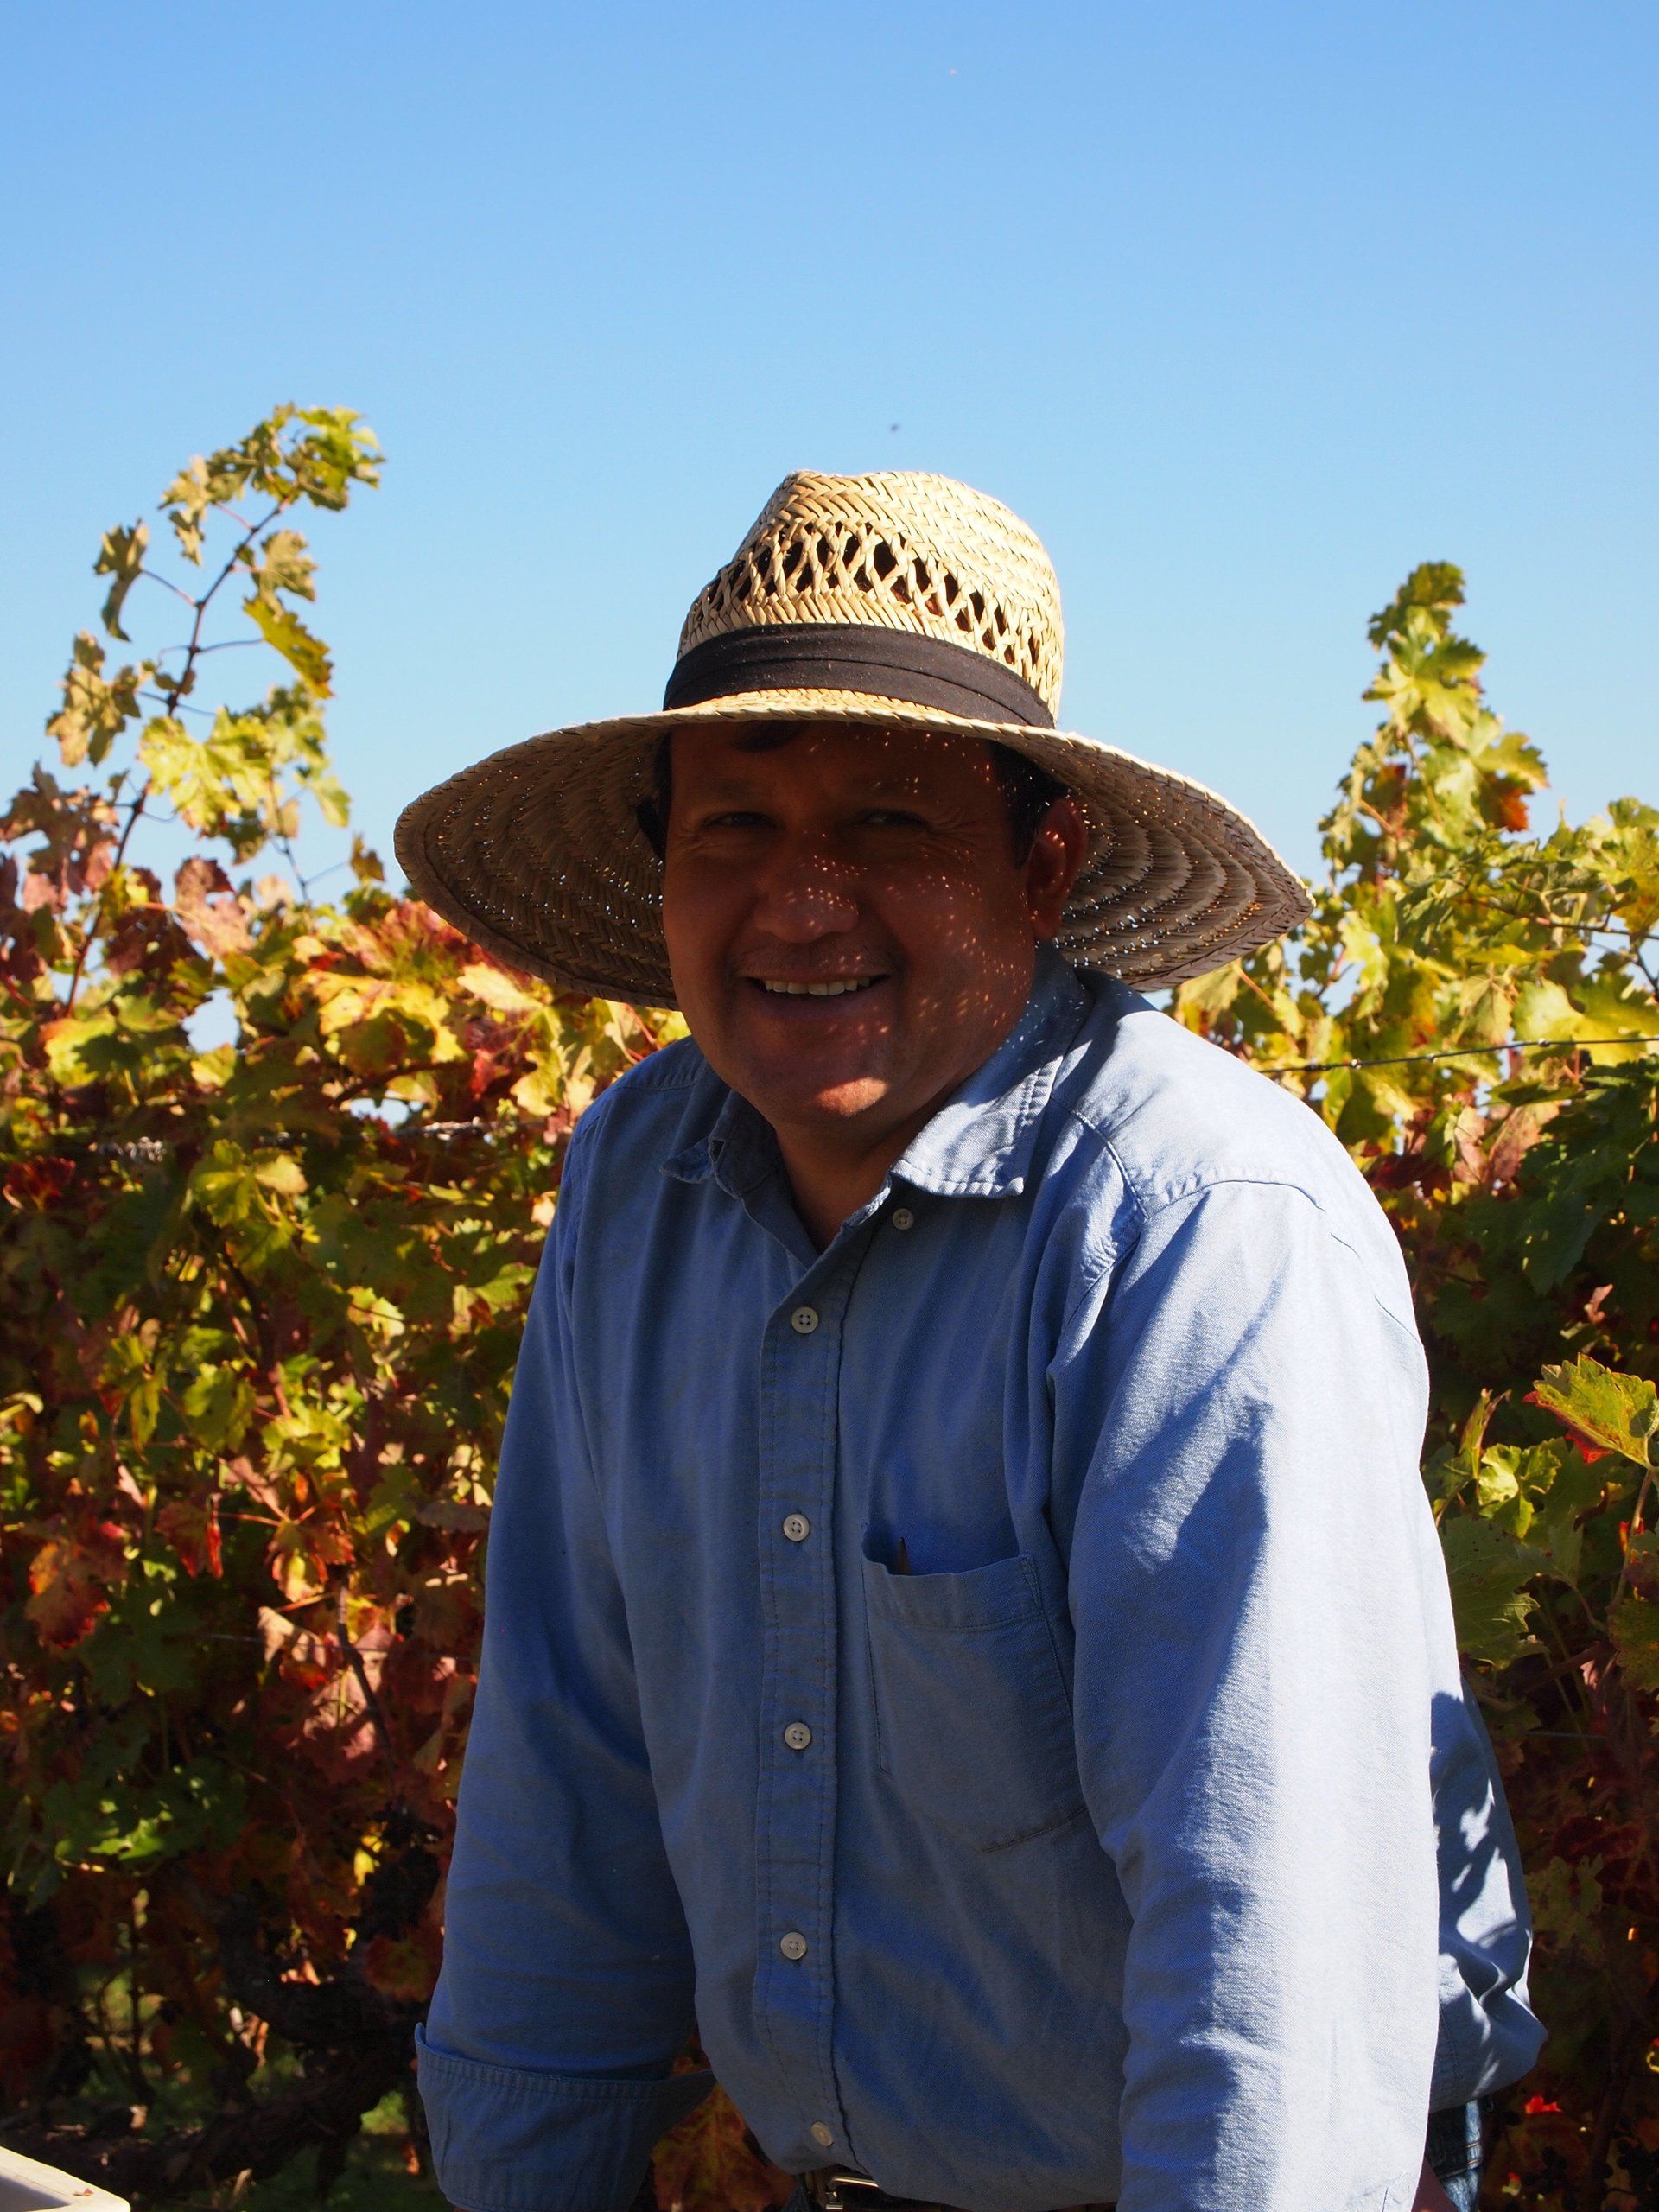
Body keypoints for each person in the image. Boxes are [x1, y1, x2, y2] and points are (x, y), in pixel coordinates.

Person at [397, 472, 1542, 2212]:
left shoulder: (1192, 1227)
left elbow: (1274, 1972)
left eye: (888, 827)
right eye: (734, 829)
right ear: (661, 864)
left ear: (1045, 859)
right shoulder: (637, 1183)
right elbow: (570, 1764)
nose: (799, 902)